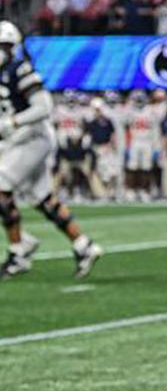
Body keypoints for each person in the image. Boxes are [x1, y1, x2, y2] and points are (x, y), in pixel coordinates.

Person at [0, 21, 102, 279]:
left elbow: (44, 107)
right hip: (19, 140)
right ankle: (84, 246)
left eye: (4, 46)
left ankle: (18, 251)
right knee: (42, 199)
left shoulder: (19, 69)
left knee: (1, 189)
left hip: (33, 137)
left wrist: (14, 122)